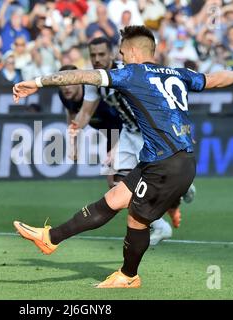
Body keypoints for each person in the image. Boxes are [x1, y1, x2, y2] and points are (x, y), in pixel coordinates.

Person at [12, 25, 233, 288]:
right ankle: (51, 238)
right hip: (164, 159)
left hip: (166, 163)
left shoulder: (132, 73)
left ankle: (128, 275)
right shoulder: (177, 73)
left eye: (123, 53)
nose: (121, 58)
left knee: (136, 219)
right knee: (114, 198)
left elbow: (81, 75)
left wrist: (36, 82)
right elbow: (213, 79)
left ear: (134, 52)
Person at [70, 36, 192, 245]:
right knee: (116, 184)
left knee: (149, 180)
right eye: (93, 55)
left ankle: (182, 190)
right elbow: (85, 113)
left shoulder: (128, 71)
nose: (97, 59)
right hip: (128, 132)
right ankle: (160, 224)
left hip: (151, 134)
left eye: (101, 54)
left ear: (112, 54)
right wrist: (75, 129)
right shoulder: (96, 81)